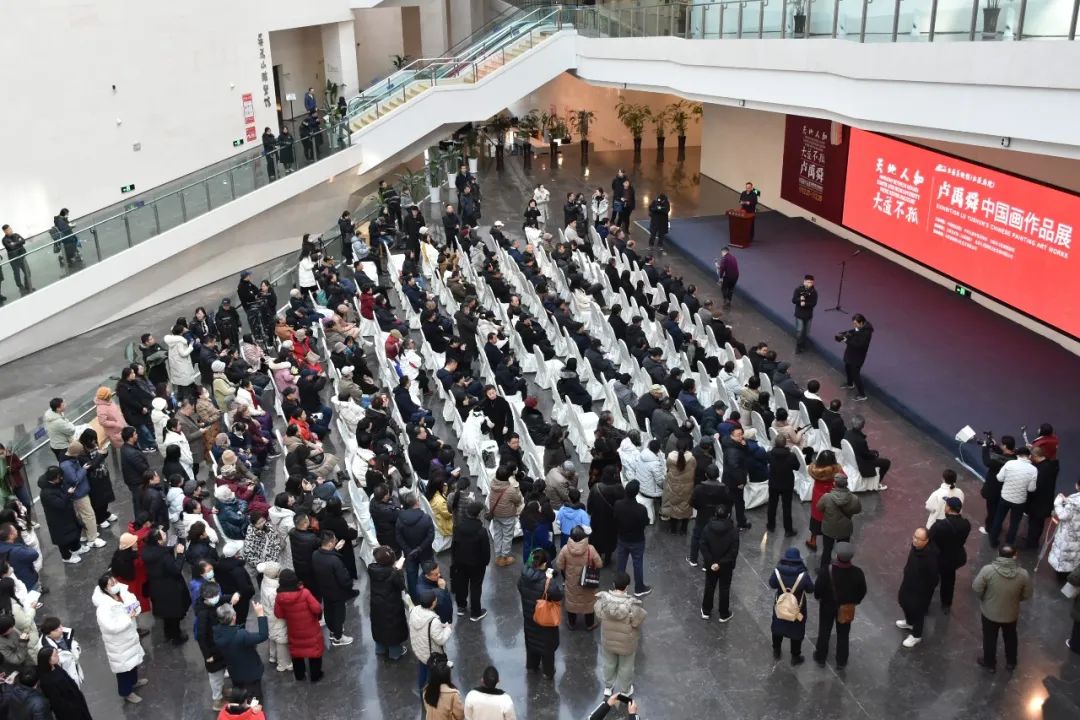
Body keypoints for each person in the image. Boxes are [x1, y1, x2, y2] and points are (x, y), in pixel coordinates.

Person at [973, 545, 1033, 672]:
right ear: (1015, 556)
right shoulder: (1023, 574)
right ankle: (1011, 662)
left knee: (989, 638)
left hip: (990, 613)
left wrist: (985, 598)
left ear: (998, 555)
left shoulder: (987, 570)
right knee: (1011, 637)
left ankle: (990, 664)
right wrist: (1015, 600)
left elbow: (976, 588)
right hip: (1011, 613)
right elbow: (1027, 594)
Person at [91, 572, 148, 704]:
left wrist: (136, 610)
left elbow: (134, 603)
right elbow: (111, 627)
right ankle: (126, 692)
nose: (115, 585)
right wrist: (128, 618)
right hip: (119, 643)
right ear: (105, 589)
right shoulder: (104, 608)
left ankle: (133, 682)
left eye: (115, 582)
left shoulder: (123, 592)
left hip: (130, 636)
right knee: (123, 669)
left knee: (132, 663)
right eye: (112, 584)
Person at [812, 541, 867, 669]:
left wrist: (818, 597)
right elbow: (862, 591)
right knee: (843, 634)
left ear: (837, 556)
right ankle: (841, 661)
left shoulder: (827, 570)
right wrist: (854, 602)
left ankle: (821, 657)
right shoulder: (858, 573)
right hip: (846, 608)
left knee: (824, 631)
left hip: (827, 606)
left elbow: (818, 588)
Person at [517, 549, 563, 679]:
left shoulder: (524, 576)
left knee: (531, 642)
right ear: (544, 564)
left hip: (529, 617)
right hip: (544, 621)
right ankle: (548, 672)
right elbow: (558, 595)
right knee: (547, 648)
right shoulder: (547, 583)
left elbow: (519, 587)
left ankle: (532, 666)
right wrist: (550, 578)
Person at [273, 568, 324, 682]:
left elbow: (278, 614)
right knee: (314, 651)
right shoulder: (304, 593)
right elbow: (316, 608)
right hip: (310, 628)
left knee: (297, 652)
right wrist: (318, 617)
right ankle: (315, 675)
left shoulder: (279, 597)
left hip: (293, 629)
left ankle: (300, 675)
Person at [213, 602, 269, 702]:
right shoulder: (241, 635)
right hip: (251, 674)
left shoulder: (217, 633)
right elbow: (263, 635)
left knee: (240, 698)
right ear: (234, 617)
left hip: (235, 673)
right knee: (255, 701)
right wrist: (260, 614)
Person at [142, 527, 190, 644]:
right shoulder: (163, 556)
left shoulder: (147, 552)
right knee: (174, 616)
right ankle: (176, 637)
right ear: (158, 541)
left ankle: (168, 634)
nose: (165, 536)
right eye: (163, 535)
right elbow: (176, 569)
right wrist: (180, 554)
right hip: (170, 589)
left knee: (166, 615)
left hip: (157, 588)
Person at [768, 547, 814, 664]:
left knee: (778, 627)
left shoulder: (778, 571)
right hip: (797, 607)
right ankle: (795, 656)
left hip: (781, 605)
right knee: (796, 631)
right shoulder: (803, 575)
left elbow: (772, 584)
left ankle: (776, 650)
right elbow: (810, 589)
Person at [313, 530, 358, 646]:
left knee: (328, 611)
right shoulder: (334, 560)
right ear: (329, 544)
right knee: (339, 615)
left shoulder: (315, 555)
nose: (335, 542)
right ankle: (339, 637)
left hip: (325, 590)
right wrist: (349, 586)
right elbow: (344, 579)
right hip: (337, 592)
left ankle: (332, 632)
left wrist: (335, 550)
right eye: (334, 541)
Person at [896, 527, 939, 648]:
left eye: (919, 539)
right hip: (908, 584)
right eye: (914, 537)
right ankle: (909, 623)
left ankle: (916, 635)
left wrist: (923, 590)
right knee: (903, 602)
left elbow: (933, 579)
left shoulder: (930, 557)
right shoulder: (915, 548)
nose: (915, 540)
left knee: (918, 612)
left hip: (920, 591)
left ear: (927, 540)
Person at [928, 497, 971, 613]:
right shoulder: (966, 524)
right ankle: (946, 604)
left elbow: (929, 540)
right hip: (954, 558)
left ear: (947, 508)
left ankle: (925, 604)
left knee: (930, 581)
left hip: (938, 558)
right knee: (949, 581)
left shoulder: (939, 526)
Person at [555, 526, 602, 630]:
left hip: (571, 582)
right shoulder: (591, 549)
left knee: (572, 601)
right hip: (587, 582)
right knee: (589, 602)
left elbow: (560, 565)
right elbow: (599, 564)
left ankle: (572, 624)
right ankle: (590, 624)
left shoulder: (565, 549)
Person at [367, 547, 410, 660]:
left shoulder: (372, 569)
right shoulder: (393, 573)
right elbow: (401, 586)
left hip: (376, 605)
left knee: (379, 625)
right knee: (393, 627)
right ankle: (395, 653)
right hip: (392, 606)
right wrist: (398, 570)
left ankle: (380, 649)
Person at [989, 447, 1037, 548]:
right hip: (1019, 501)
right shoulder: (1033, 470)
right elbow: (1031, 489)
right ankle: (1009, 544)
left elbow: (999, 478)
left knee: (998, 519)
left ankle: (993, 540)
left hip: (1005, 497)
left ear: (1017, 455)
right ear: (1029, 456)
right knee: (1014, 523)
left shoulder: (1010, 464)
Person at [451, 501, 489, 621]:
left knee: (461, 583)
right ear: (478, 515)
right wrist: (485, 562)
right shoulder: (481, 531)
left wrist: (455, 560)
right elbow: (486, 551)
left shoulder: (458, 527)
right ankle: (475, 612)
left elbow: (454, 546)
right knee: (475, 586)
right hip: (477, 564)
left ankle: (461, 607)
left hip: (460, 562)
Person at [37, 466, 85, 563]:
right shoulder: (46, 493)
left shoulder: (55, 484)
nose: (62, 479)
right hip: (57, 519)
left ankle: (76, 548)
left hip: (67, 514)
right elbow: (60, 504)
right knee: (62, 539)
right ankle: (66, 557)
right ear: (55, 478)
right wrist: (69, 494)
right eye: (60, 477)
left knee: (73, 531)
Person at [700, 505, 739, 622]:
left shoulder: (707, 528)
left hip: (710, 565)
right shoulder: (733, 531)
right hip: (726, 566)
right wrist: (720, 563)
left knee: (709, 586)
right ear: (728, 515)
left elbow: (703, 545)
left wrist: (711, 562)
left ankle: (706, 610)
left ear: (715, 514)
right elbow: (733, 551)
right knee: (724, 588)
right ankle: (724, 613)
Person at [613, 481, 651, 597]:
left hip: (622, 539)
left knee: (621, 563)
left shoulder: (618, 504)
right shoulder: (641, 509)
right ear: (636, 493)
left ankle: (619, 587)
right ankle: (639, 588)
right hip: (637, 540)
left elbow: (615, 519)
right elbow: (646, 523)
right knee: (637, 564)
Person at [409, 589, 452, 690]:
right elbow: (441, 640)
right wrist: (448, 629)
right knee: (431, 675)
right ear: (433, 604)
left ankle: (421, 689)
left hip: (419, 650)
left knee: (422, 671)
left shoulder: (414, 611)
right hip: (431, 655)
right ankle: (429, 693)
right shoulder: (433, 621)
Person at [36, 646, 93, 720]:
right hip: (71, 712)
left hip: (76, 703)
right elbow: (58, 702)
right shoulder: (48, 681)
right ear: (48, 660)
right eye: (55, 655)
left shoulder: (55, 667)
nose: (58, 656)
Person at [816, 477, 861, 570]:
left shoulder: (826, 497)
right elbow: (858, 510)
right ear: (846, 484)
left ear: (834, 484)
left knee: (827, 550)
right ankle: (841, 570)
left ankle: (823, 570)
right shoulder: (854, 498)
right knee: (843, 551)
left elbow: (819, 508)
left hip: (829, 528)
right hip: (845, 529)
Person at [397, 491, 436, 595]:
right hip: (425, 553)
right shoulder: (426, 518)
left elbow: (399, 537)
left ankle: (415, 600)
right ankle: (430, 596)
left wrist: (408, 550)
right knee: (430, 574)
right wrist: (420, 548)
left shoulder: (400, 519)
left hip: (409, 554)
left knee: (411, 577)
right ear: (417, 502)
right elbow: (431, 536)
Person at [487, 468, 524, 567]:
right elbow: (518, 500)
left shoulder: (493, 484)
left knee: (498, 534)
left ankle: (498, 556)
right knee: (507, 536)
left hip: (495, 513)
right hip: (507, 515)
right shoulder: (510, 489)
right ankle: (504, 558)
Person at [766, 435, 800, 537]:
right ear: (785, 444)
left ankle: (771, 525)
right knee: (787, 507)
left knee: (772, 505)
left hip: (773, 483)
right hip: (787, 485)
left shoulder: (769, 454)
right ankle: (788, 530)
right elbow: (797, 467)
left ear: (775, 443)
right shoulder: (791, 456)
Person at [844, 415, 890, 488]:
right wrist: (874, 454)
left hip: (850, 459)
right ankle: (876, 484)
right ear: (862, 426)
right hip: (860, 463)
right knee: (886, 462)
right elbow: (866, 456)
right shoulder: (861, 441)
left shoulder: (846, 433)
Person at [661, 439, 695, 535]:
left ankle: (673, 529)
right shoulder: (692, 459)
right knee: (686, 506)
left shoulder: (670, 457)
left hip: (673, 486)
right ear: (687, 447)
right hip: (687, 488)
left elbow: (667, 467)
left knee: (673, 505)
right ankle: (683, 530)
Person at [39, 617, 84, 687]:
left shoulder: (66, 634)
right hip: (66, 679)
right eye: (57, 629)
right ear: (49, 634)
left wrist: (76, 650)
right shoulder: (46, 649)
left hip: (74, 671)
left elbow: (74, 645)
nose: (61, 629)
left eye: (60, 626)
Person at [838, 313, 873, 400]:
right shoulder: (859, 328)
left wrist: (846, 340)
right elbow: (854, 331)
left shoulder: (866, 333)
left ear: (861, 323)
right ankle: (850, 384)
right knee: (847, 367)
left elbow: (859, 345)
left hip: (858, 357)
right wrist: (845, 333)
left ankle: (862, 395)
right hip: (850, 353)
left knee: (855, 374)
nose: (854, 325)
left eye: (855, 323)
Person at [1051, 478, 1080, 582]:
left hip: (1068, 534)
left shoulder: (1073, 502)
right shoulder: (1072, 501)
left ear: (1077, 486)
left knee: (1064, 555)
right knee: (1076, 554)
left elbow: (1063, 516)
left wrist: (1058, 503)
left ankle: (1062, 577)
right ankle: (1073, 574)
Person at [791, 274, 818, 354]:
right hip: (799, 314)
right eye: (808, 282)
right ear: (804, 281)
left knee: (806, 332)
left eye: (811, 282)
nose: (809, 284)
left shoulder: (814, 292)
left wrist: (805, 304)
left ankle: (803, 344)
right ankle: (798, 345)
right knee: (799, 330)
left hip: (808, 315)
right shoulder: (798, 289)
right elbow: (793, 300)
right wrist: (800, 299)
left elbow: (813, 303)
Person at [45, 398, 77, 463]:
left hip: (55, 445)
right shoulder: (58, 422)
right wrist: (69, 423)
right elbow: (72, 430)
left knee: (62, 461)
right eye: (63, 405)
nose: (65, 405)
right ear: (58, 409)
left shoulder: (50, 415)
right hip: (63, 447)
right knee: (68, 463)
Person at [2, 224, 32, 292]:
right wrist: (18, 242)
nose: (10, 230)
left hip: (21, 256)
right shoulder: (4, 240)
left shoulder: (16, 234)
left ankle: (27, 285)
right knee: (17, 273)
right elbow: (11, 247)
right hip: (14, 258)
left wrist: (14, 243)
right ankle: (20, 287)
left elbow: (23, 241)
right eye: (8, 230)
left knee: (27, 271)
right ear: (5, 231)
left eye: (10, 228)